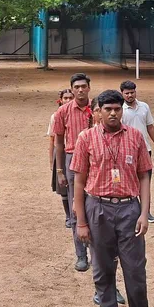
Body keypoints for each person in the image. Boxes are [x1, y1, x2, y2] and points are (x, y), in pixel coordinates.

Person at [72, 89, 154, 307]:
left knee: (135, 269)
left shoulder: (134, 137)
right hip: (97, 208)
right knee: (103, 270)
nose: (113, 113)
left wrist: (144, 212)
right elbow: (78, 181)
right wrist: (81, 221)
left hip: (129, 209)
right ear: (97, 111)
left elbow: (144, 175)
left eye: (117, 109)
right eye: (107, 109)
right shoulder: (86, 138)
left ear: (123, 110)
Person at [53, 73, 94, 272]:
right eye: (76, 86)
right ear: (71, 88)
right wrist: (59, 170)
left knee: (95, 206)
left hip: (95, 160)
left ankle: (96, 253)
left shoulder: (96, 109)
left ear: (88, 88)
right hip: (71, 159)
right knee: (75, 207)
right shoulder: (63, 112)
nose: (80, 90)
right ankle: (81, 255)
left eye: (83, 86)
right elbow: (58, 143)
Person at [120, 80, 154, 222]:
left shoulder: (144, 107)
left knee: (145, 182)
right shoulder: (119, 109)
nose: (130, 95)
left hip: (145, 150)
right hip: (127, 151)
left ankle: (147, 212)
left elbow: (150, 127)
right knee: (128, 181)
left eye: (132, 92)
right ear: (122, 94)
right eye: (126, 93)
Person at [47, 89, 74, 227]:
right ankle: (68, 215)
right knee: (63, 186)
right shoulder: (56, 116)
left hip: (74, 151)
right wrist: (52, 161)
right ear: (60, 100)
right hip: (61, 152)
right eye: (65, 98)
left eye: (70, 98)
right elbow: (53, 141)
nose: (68, 101)